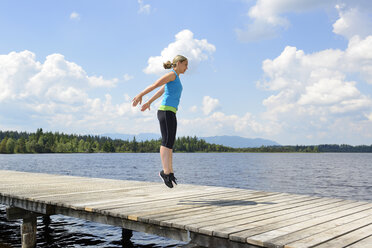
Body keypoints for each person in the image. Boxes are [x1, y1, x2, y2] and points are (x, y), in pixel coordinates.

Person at [132, 55, 188, 188]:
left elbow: (161, 91)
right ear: (178, 63)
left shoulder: (176, 78)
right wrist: (140, 95)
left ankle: (170, 171)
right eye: (185, 65)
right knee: (166, 141)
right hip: (165, 112)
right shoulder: (172, 75)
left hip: (171, 112)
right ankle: (165, 172)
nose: (187, 68)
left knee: (170, 142)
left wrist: (149, 102)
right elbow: (155, 84)